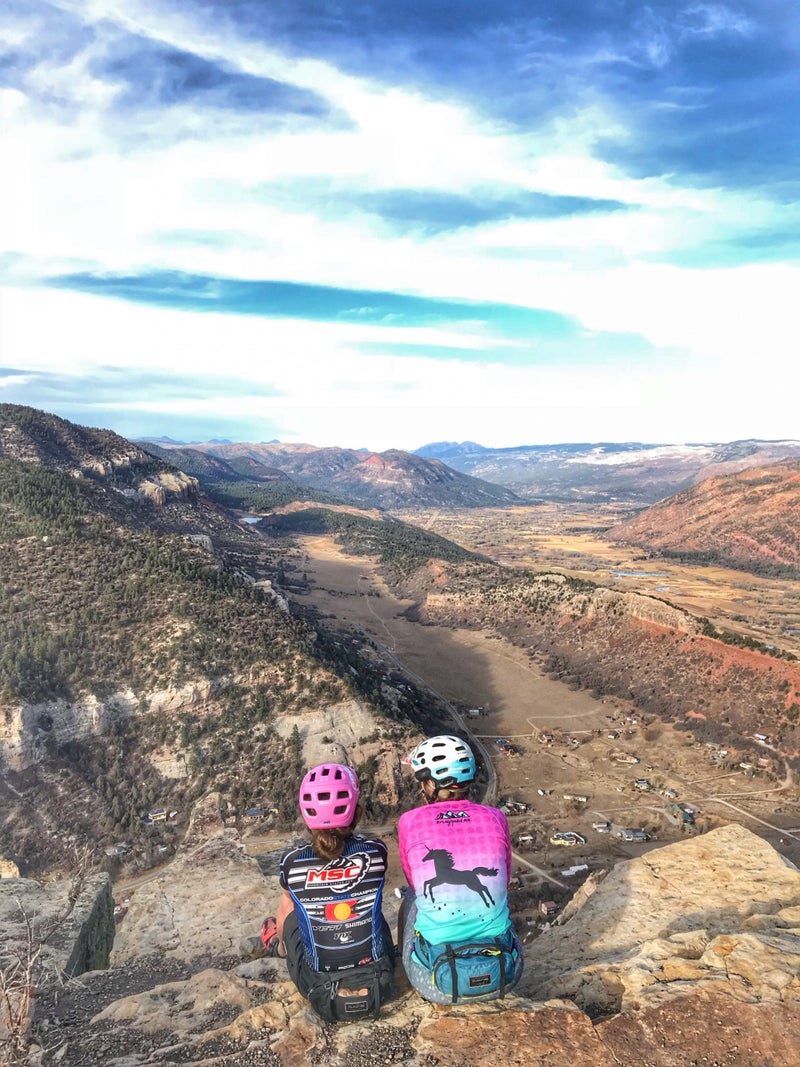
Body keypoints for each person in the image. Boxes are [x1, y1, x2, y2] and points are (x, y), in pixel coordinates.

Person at [261, 762, 395, 1023]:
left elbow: (295, 900)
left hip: (319, 989)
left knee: (289, 905)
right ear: (356, 812)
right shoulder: (377, 851)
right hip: (381, 981)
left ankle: (278, 948)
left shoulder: (291, 861)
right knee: (371, 909)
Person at [397, 735, 522, 1004]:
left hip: (438, 983)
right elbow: (504, 877)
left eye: (423, 782)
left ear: (431, 783)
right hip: (506, 974)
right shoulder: (495, 817)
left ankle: (405, 961)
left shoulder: (410, 821)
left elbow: (415, 883)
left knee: (411, 896)